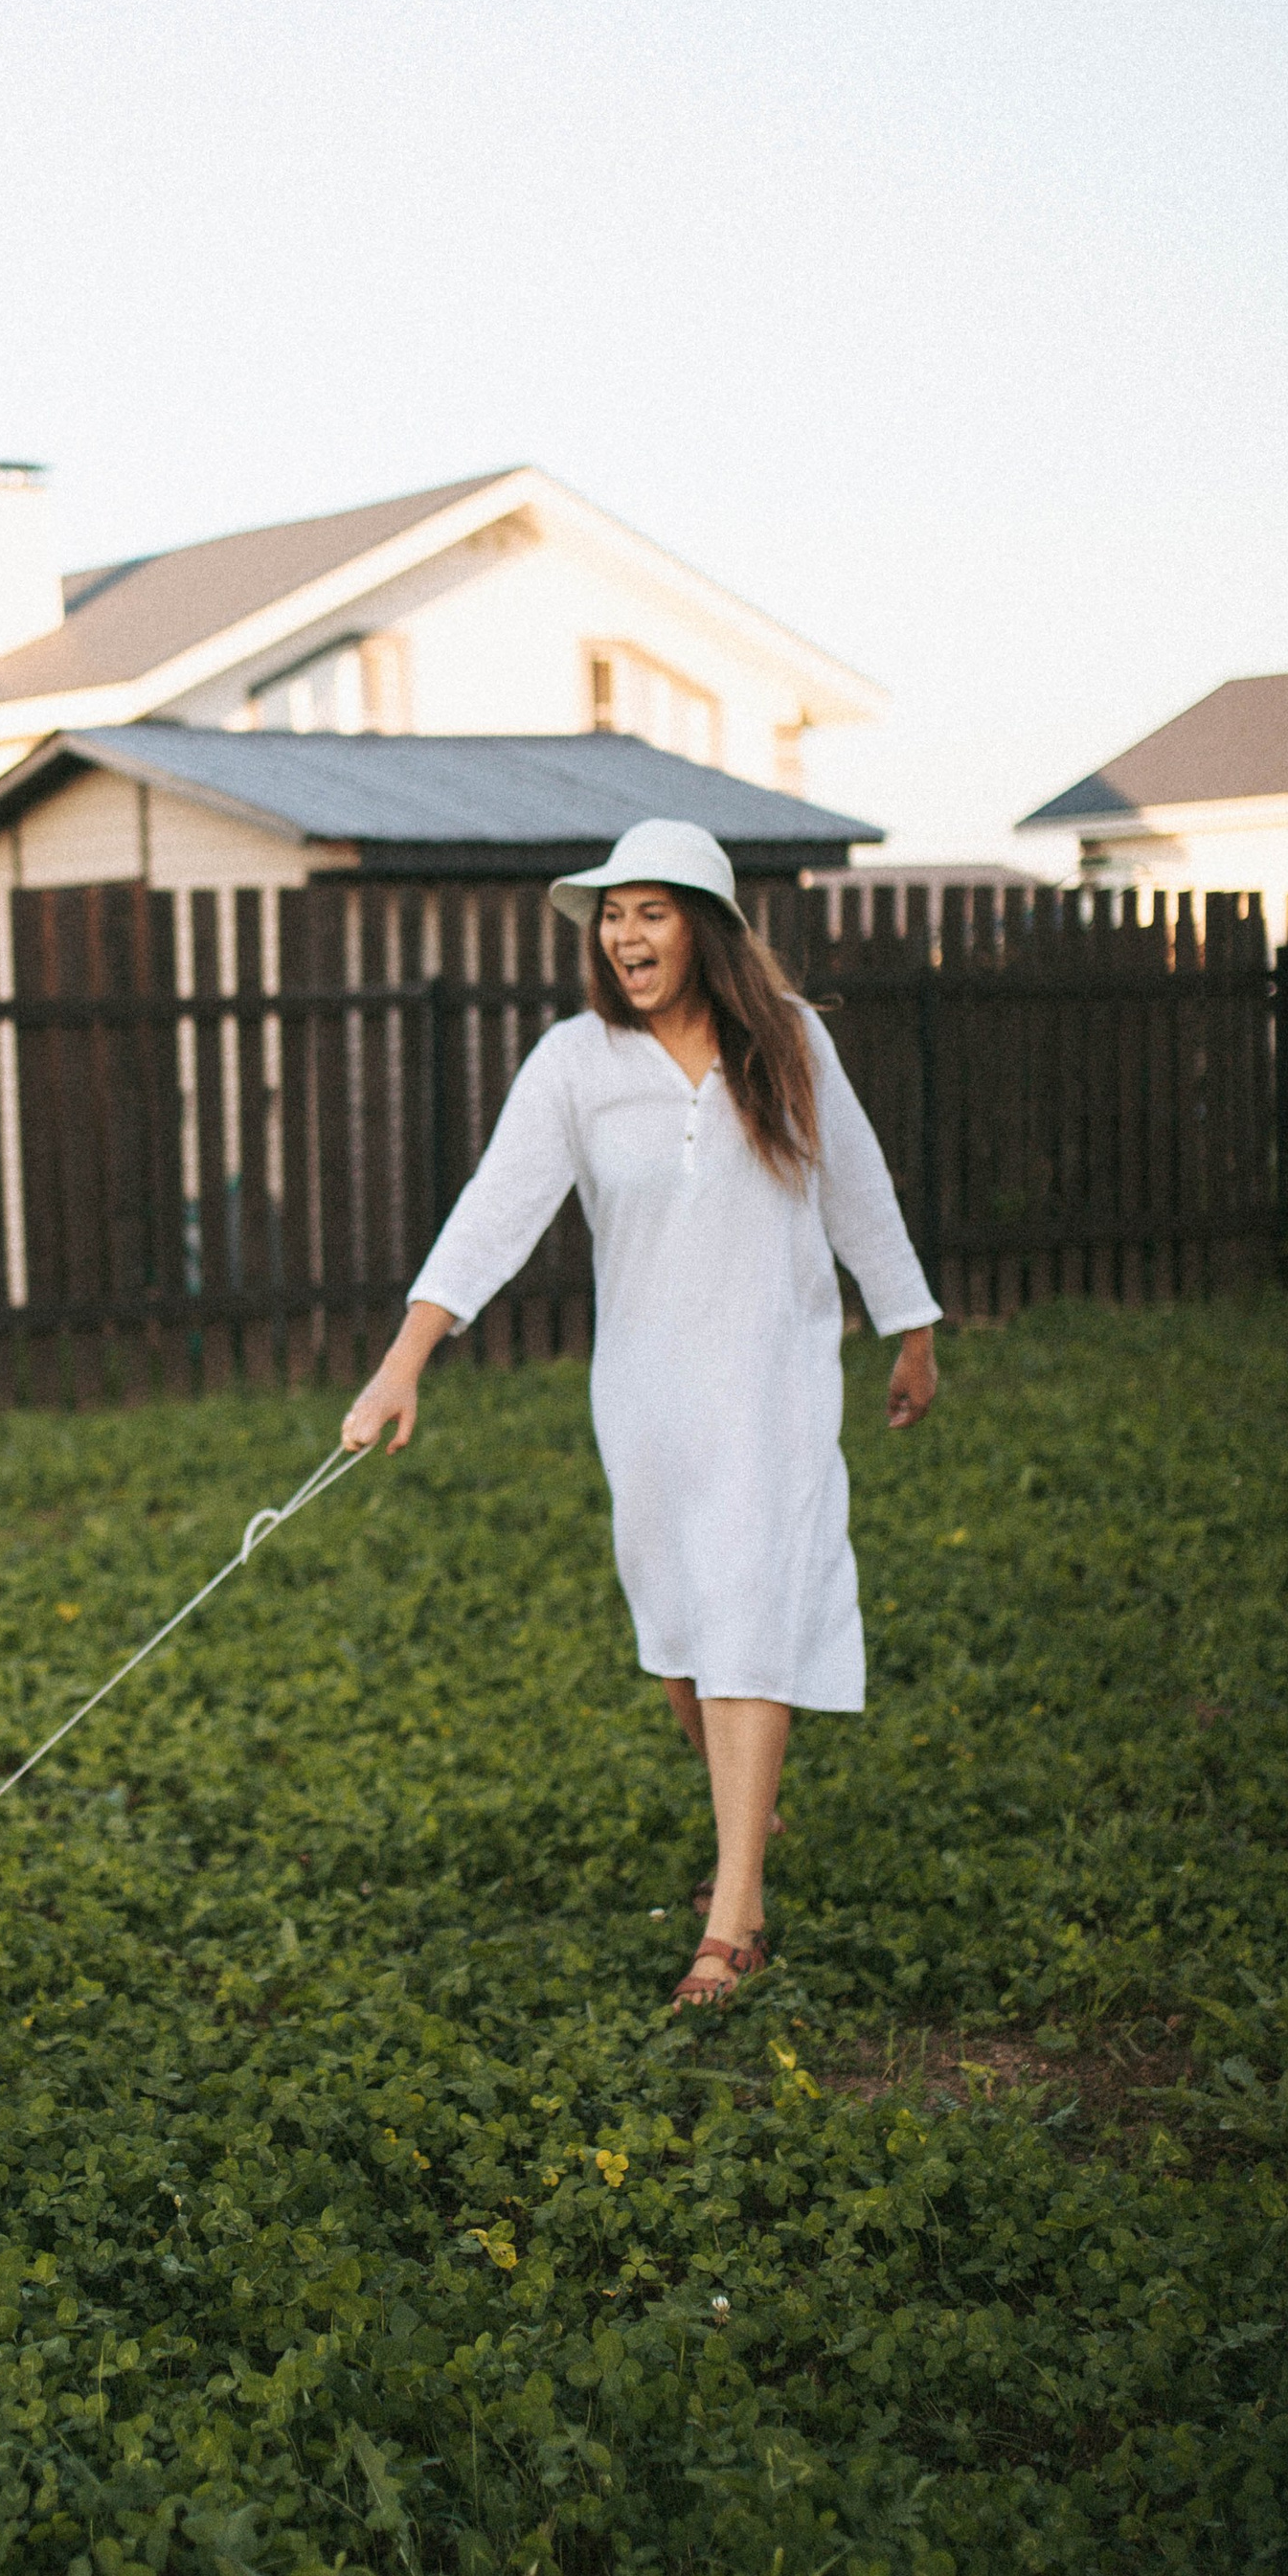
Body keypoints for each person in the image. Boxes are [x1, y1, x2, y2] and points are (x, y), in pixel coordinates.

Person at [341, 819, 940, 2010]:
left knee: (747, 1610)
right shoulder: (574, 1062)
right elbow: (491, 1214)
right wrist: (400, 1362)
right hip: (646, 1396)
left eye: (648, 912)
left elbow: (858, 1190)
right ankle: (743, 1803)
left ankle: (734, 1917)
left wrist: (910, 1328)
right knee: (676, 1634)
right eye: (611, 917)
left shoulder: (791, 1044)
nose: (622, 936)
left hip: (771, 1385)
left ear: (704, 928)